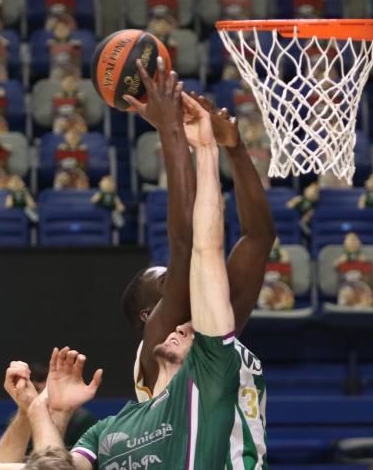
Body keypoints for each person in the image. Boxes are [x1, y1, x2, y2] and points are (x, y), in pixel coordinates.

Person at [66, 94, 246, 468]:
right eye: (166, 290)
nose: (183, 322)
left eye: (195, 331)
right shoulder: (104, 430)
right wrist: (51, 413)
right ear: (149, 316)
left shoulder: (208, 380)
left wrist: (205, 148)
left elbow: (203, 249)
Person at [120, 58, 275, 468]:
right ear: (148, 313)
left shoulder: (214, 334)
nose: (177, 275)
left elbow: (259, 238)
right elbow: (186, 243)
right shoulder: (156, 347)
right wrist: (169, 128)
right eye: (165, 279)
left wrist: (234, 148)